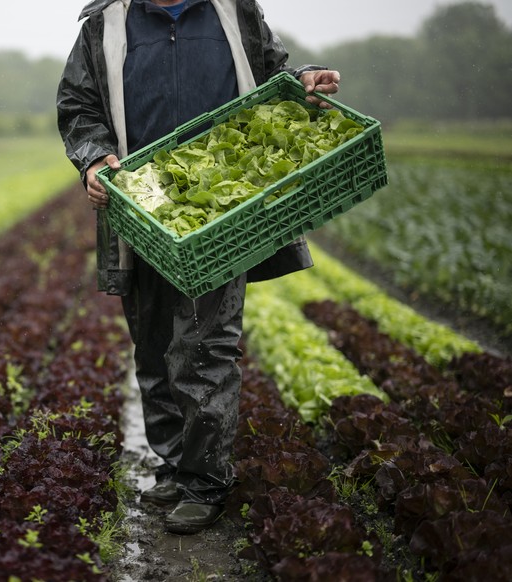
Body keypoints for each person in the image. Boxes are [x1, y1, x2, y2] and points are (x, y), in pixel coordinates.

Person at [56, 0, 342, 534]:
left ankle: (205, 482)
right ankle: (172, 463)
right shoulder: (105, 24)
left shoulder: (234, 12)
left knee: (206, 346)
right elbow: (78, 104)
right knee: (153, 344)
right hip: (139, 209)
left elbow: (272, 74)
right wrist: (94, 158)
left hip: (223, 208)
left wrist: (302, 79)